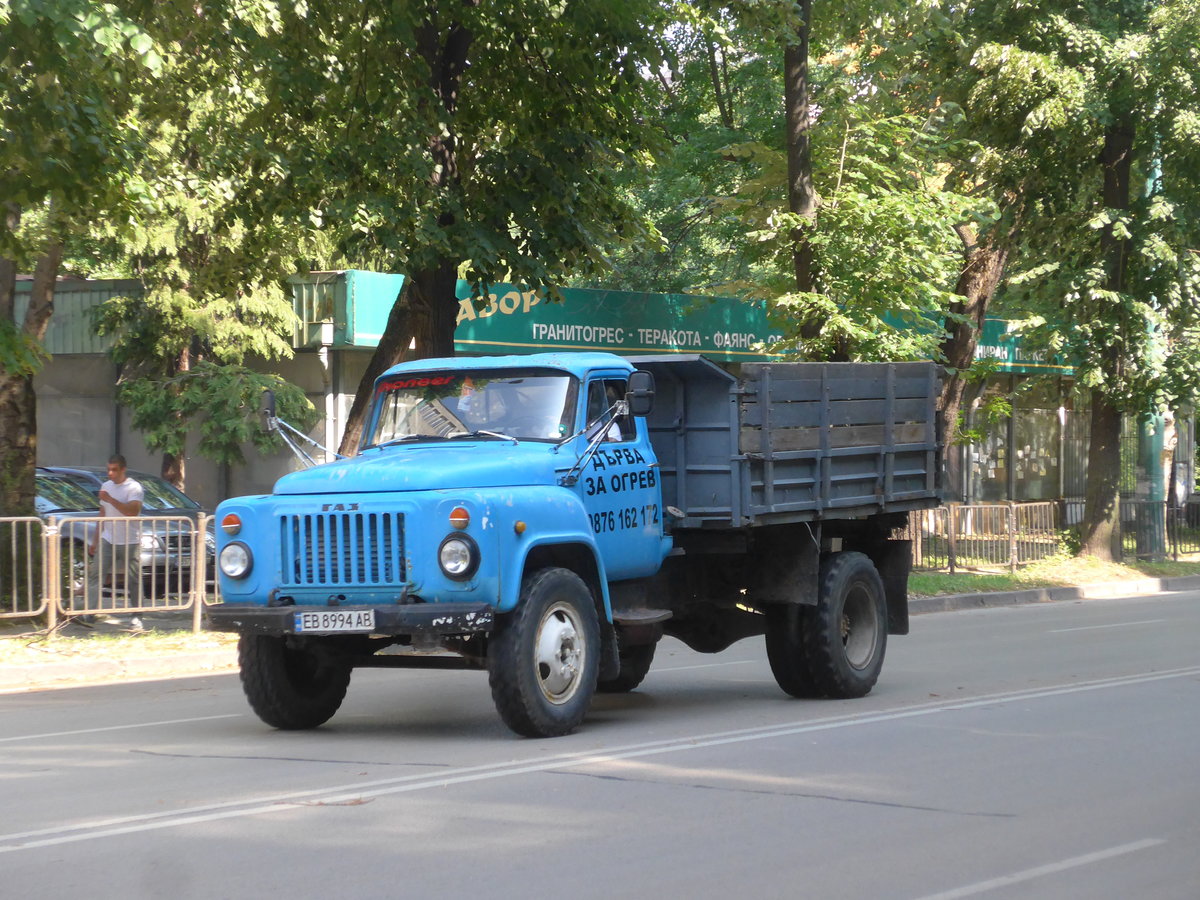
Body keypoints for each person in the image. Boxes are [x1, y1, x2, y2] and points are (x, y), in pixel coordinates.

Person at [80, 455, 145, 628]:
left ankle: (137, 615)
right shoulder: (106, 486)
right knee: (95, 575)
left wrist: (110, 499)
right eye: (108, 469)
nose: (110, 473)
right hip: (108, 538)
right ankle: (90, 613)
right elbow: (102, 513)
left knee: (133, 579)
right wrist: (95, 540)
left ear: (123, 469)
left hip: (129, 540)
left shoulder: (133, 487)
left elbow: (132, 511)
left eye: (114, 469)